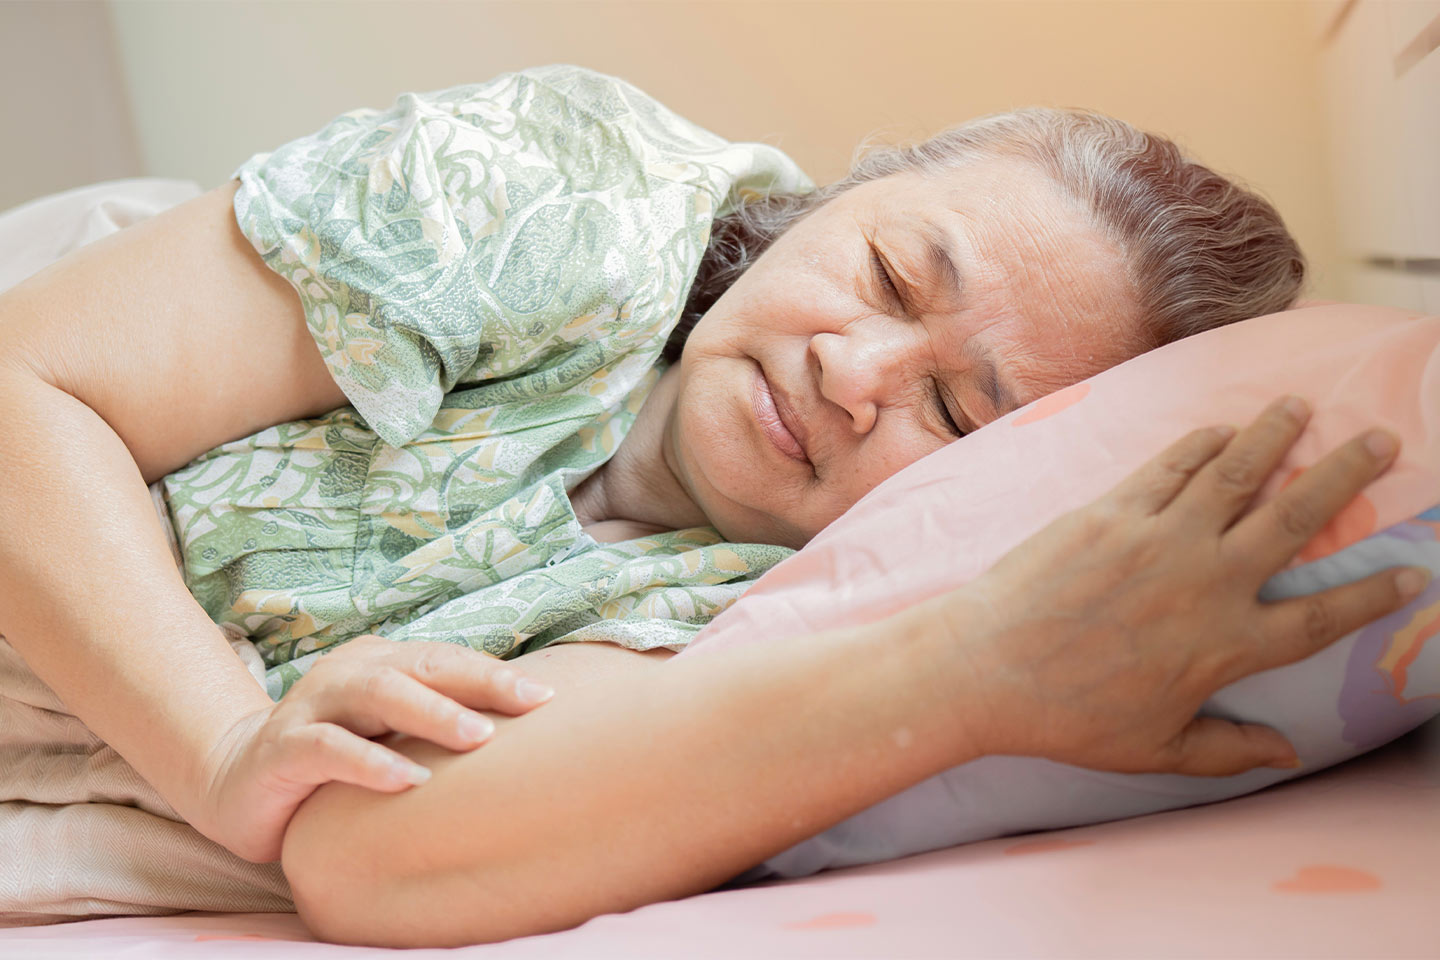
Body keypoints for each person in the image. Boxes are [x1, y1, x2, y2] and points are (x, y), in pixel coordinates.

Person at [0, 66, 1423, 945]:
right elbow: (25, 385)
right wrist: (221, 745)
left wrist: (989, 670)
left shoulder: (768, 607)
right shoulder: (570, 191)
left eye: (955, 409)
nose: (854, 372)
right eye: (884, 277)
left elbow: (383, 860)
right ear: (827, 201)